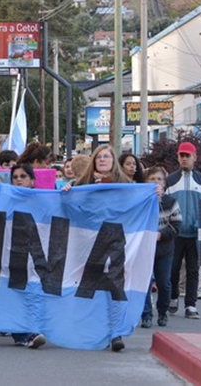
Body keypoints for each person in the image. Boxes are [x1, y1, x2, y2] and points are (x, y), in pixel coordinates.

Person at [61, 144, 129, 351]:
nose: (102, 160)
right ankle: (87, 329)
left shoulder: (125, 184)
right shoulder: (81, 183)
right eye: (98, 157)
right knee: (86, 286)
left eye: (106, 156)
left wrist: (156, 193)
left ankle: (116, 333)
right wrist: (66, 193)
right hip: (87, 241)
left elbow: (138, 199)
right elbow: (68, 206)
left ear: (113, 161)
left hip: (115, 239)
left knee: (115, 286)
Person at [166, 141, 201, 320]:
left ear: (195, 157)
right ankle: (173, 298)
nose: (184, 158)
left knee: (194, 271)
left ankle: (190, 305)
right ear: (178, 157)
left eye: (188, 155)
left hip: (196, 234)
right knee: (173, 268)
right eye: (182, 155)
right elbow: (163, 205)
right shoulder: (170, 180)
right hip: (174, 233)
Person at [7, 163, 47, 349]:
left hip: (36, 253)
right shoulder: (4, 198)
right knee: (15, 292)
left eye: (23, 176)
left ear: (32, 180)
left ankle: (32, 331)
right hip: (11, 251)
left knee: (35, 291)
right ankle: (20, 333)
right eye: (15, 177)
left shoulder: (44, 199)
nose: (19, 180)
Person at [142, 166, 180, 329]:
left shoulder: (170, 201)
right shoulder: (141, 201)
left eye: (159, 179)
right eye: (152, 179)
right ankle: (146, 315)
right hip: (144, 248)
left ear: (164, 184)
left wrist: (161, 234)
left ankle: (163, 311)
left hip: (164, 249)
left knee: (164, 283)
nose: (155, 182)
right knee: (145, 283)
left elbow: (177, 224)